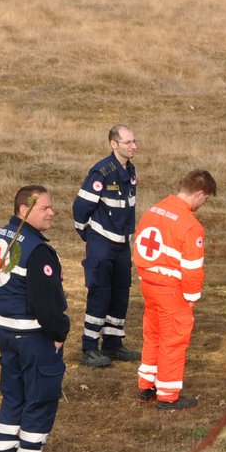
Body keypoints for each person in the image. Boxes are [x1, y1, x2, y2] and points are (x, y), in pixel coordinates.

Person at [0, 186, 70, 452]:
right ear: (23, 210)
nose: (52, 213)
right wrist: (59, 333)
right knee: (40, 399)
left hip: (5, 331)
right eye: (45, 208)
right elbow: (47, 302)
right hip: (33, 336)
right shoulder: (37, 249)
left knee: (13, 397)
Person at [133, 170, 216, 410]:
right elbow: (192, 269)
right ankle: (168, 396)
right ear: (199, 193)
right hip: (172, 290)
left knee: (153, 336)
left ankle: (146, 386)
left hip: (149, 284)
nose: (203, 204)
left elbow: (139, 245)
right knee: (174, 340)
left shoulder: (153, 210)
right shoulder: (190, 226)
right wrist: (191, 299)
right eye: (206, 200)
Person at [73, 124, 140, 368]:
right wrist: (88, 235)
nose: (133, 146)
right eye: (128, 142)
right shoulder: (101, 172)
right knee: (100, 293)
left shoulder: (130, 170)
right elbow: (81, 207)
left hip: (122, 243)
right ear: (114, 144)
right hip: (102, 243)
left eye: (134, 142)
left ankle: (113, 343)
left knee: (121, 292)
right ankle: (89, 346)